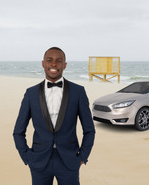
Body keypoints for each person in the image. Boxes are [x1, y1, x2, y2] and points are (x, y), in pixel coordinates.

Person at [13, 47, 95, 185]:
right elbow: (18, 131)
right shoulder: (30, 93)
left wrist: (82, 157)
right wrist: (27, 157)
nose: (53, 64)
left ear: (64, 65)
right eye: (49, 60)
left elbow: (89, 130)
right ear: (43, 63)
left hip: (69, 161)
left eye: (59, 61)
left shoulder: (78, 92)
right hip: (39, 161)